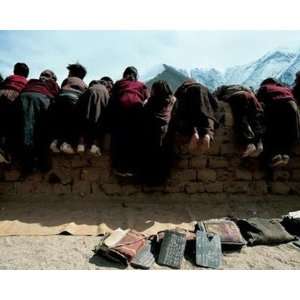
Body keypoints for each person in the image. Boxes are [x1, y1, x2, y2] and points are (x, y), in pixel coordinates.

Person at [109, 66, 149, 176]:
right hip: (137, 110)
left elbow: (112, 97)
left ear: (125, 74)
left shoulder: (119, 83)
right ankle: (133, 169)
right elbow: (146, 98)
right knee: (135, 138)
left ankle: (119, 168)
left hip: (121, 110)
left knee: (120, 138)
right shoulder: (141, 84)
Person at [19, 69, 59, 173]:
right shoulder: (52, 82)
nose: (43, 76)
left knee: (26, 129)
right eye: (44, 74)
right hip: (42, 98)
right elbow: (56, 95)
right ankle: (43, 165)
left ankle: (28, 165)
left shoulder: (32, 81)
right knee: (43, 133)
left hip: (23, 97)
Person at [256, 78, 300, 168]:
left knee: (273, 131)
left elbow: (257, 102)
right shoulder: (285, 88)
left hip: (276, 105)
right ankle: (285, 155)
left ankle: (275, 157)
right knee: (290, 132)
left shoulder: (264, 87)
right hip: (292, 106)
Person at [213, 84, 265, 158]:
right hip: (251, 97)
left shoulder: (223, 87)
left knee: (240, 118)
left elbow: (214, 96)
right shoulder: (245, 87)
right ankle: (259, 143)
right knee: (254, 120)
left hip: (238, 97)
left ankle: (248, 143)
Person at [141, 80, 176, 184]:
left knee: (150, 157)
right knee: (163, 157)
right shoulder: (172, 101)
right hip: (165, 134)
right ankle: (161, 180)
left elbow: (145, 114)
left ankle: (148, 180)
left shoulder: (151, 102)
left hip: (150, 133)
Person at [171, 80, 219, 154]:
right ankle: (207, 135)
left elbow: (176, 102)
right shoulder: (204, 88)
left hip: (190, 116)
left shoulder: (183, 88)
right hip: (205, 116)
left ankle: (193, 133)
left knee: (186, 122)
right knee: (208, 125)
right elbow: (215, 104)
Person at [49, 63, 87, 154]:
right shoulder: (84, 84)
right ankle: (66, 144)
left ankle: (54, 142)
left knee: (59, 122)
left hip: (60, 100)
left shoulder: (67, 80)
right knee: (71, 123)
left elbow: (61, 90)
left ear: (71, 73)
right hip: (73, 102)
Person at [0, 62, 29, 163]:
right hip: (15, 99)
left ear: (14, 70)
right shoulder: (26, 82)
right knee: (11, 127)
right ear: (26, 74)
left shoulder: (10, 78)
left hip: (2, 95)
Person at [76, 78, 111, 156]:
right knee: (100, 124)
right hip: (98, 120)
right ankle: (94, 146)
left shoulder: (90, 88)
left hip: (85, 116)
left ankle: (80, 144)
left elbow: (79, 104)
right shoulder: (105, 91)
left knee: (83, 122)